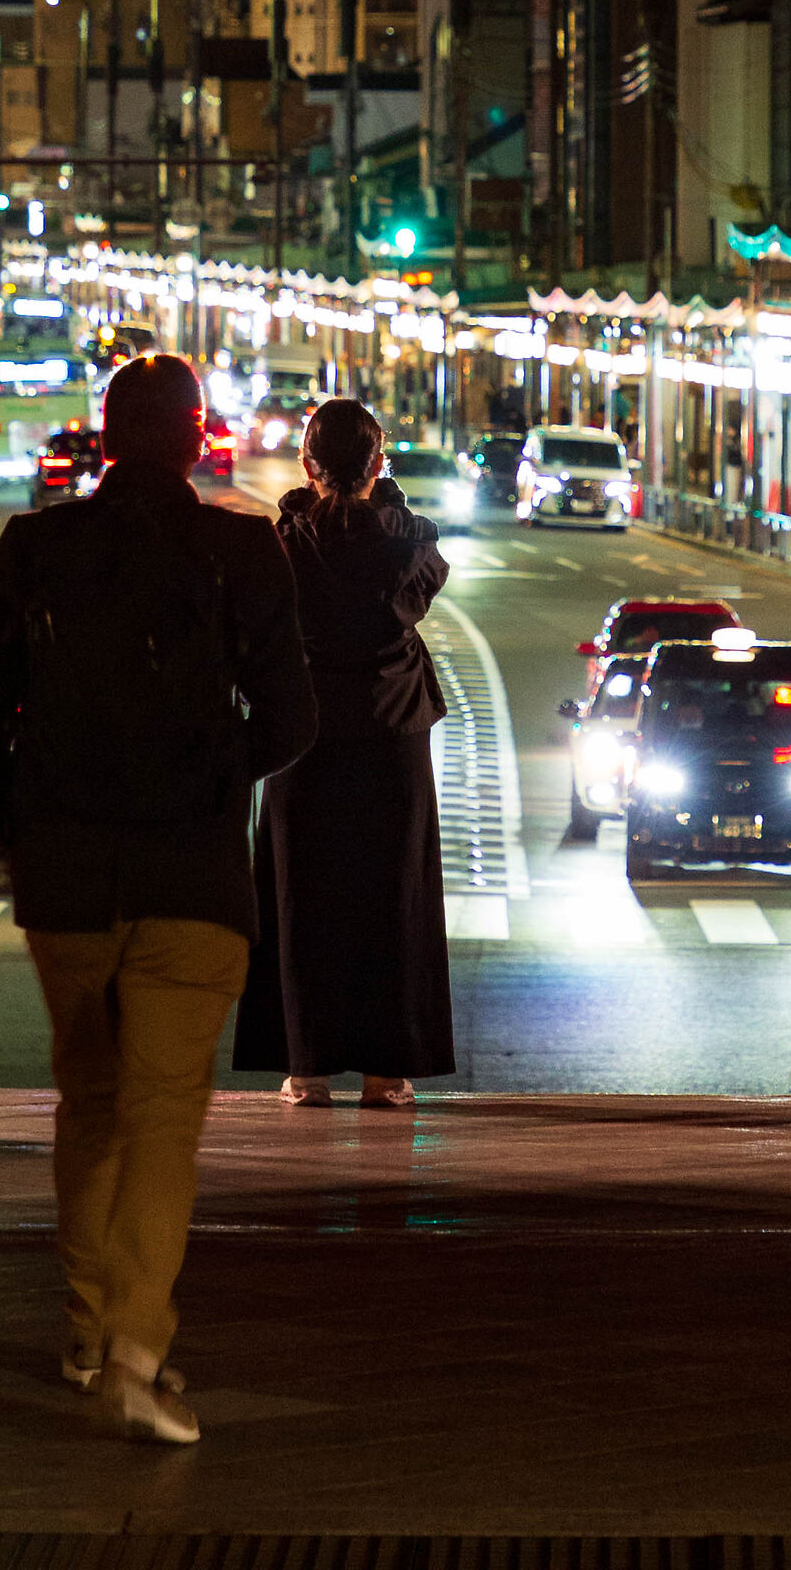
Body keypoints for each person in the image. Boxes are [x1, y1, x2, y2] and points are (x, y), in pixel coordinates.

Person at [0, 354, 316, 1445]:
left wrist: (28, 821)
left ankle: (83, 1329)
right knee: (163, 1119)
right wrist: (209, 776)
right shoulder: (241, 549)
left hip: (65, 876)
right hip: (192, 875)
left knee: (91, 1105)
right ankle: (135, 1352)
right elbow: (293, 719)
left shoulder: (35, 547)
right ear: (198, 437)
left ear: (104, 437)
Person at [233, 397, 456, 1106]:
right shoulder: (409, 544)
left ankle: (306, 1068)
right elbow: (424, 563)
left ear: (308, 463)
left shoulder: (285, 544)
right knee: (393, 895)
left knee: (301, 896)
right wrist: (379, 495)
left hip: (303, 733)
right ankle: (388, 1072)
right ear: (378, 463)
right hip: (393, 731)